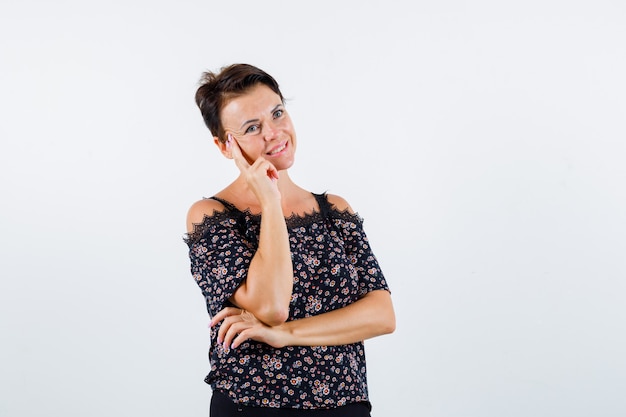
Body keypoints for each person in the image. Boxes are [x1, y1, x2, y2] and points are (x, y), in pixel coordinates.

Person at [183, 63, 395, 417]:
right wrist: (269, 200)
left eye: (277, 113)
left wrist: (287, 334)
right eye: (253, 127)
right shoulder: (211, 216)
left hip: (345, 404)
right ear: (224, 145)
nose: (274, 132)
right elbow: (271, 306)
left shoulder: (335, 210)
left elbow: (381, 315)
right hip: (254, 406)